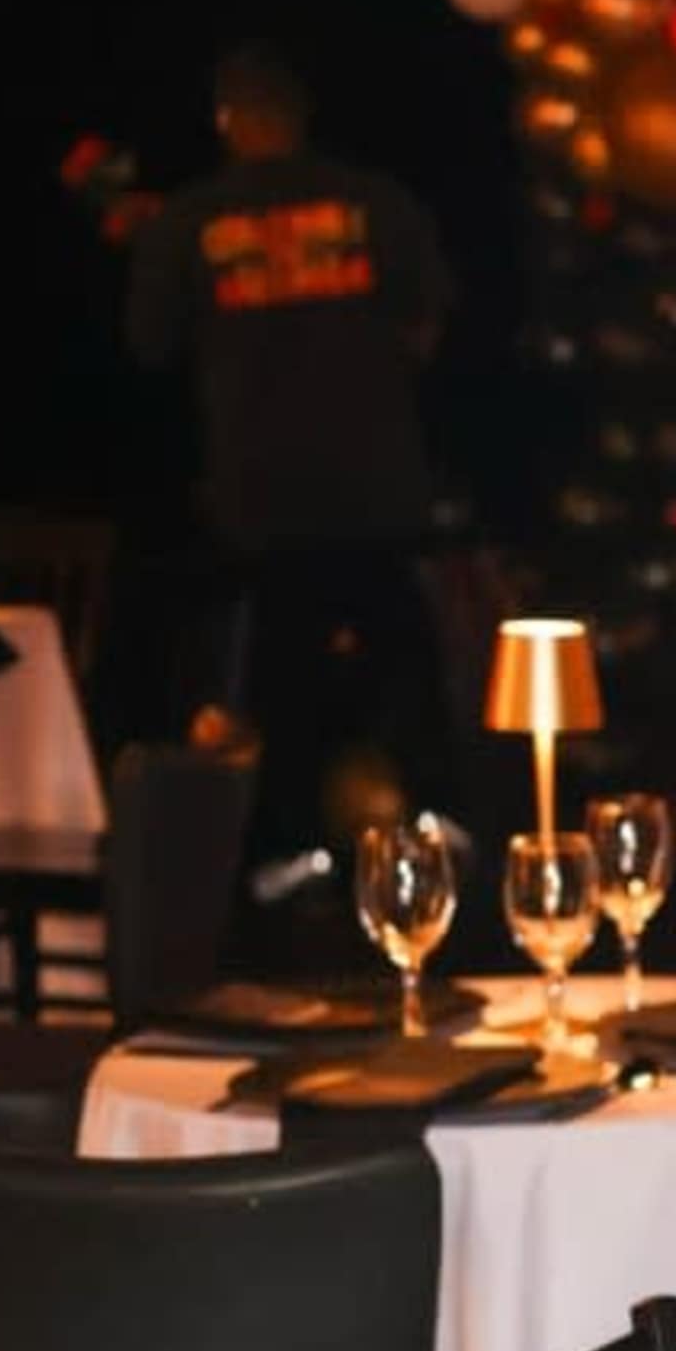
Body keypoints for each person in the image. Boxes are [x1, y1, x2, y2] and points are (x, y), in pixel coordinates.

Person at [125, 43, 455, 859]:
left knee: (275, 682)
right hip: (377, 485)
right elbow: (431, 321)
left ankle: (286, 851)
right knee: (400, 668)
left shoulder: (192, 219)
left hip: (260, 497)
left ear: (228, 121)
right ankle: (430, 829)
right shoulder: (376, 203)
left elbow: (147, 345)